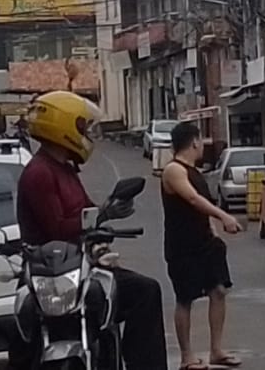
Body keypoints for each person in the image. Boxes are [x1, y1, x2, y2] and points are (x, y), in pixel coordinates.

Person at [16, 91, 167, 370]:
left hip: (80, 266)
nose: (87, 134)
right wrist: (103, 215)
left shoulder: (64, 169)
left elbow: (86, 212)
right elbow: (59, 228)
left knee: (143, 291)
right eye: (82, 127)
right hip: (51, 274)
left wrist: (105, 213)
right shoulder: (40, 173)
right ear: (64, 126)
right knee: (22, 335)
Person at [160, 122, 243, 370]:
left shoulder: (196, 172)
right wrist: (225, 216)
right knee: (185, 298)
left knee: (218, 291)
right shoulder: (173, 170)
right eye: (200, 141)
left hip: (205, 243)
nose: (202, 146)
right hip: (182, 246)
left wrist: (214, 232)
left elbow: (202, 205)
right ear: (194, 141)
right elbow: (193, 200)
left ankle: (216, 350)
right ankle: (187, 356)